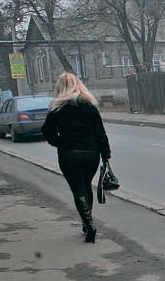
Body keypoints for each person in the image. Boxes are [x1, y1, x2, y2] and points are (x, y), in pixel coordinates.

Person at [41, 72, 112, 243]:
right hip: (91, 153)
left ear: (60, 87)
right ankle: (87, 223)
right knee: (87, 186)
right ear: (78, 84)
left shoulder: (57, 106)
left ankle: (89, 224)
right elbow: (100, 132)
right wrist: (106, 154)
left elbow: (47, 131)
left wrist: (59, 143)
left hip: (69, 153)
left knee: (78, 189)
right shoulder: (89, 105)